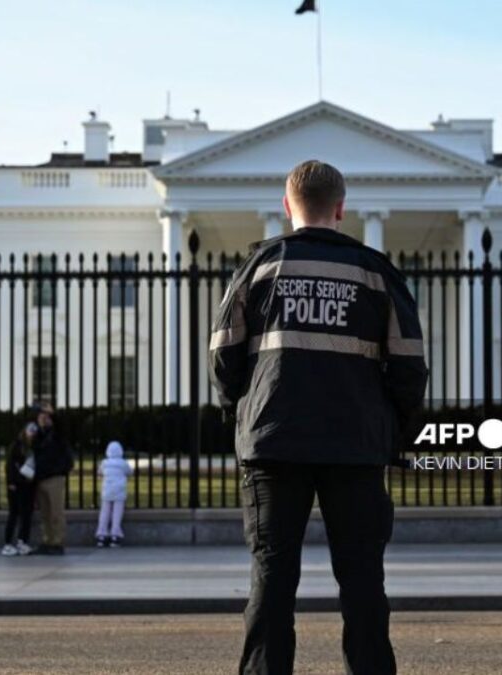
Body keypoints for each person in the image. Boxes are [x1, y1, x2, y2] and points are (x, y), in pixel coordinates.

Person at [209, 159, 427, 675]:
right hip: (354, 445)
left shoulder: (259, 268)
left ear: (287, 208)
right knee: (362, 582)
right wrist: (394, 427)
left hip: (274, 442)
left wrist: (241, 412)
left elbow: (223, 357)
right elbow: (410, 365)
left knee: (272, 578)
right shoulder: (375, 273)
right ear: (342, 209)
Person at [31, 402, 73, 555]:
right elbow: (33, 448)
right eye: (43, 416)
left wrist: (53, 415)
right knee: (45, 514)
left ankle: (58, 542)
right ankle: (47, 540)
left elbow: (61, 427)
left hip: (55, 477)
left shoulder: (57, 434)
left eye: (47, 416)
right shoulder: (39, 434)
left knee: (56, 512)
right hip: (41, 477)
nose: (45, 418)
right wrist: (40, 428)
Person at [2, 422, 38, 556]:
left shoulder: (34, 446)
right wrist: (11, 482)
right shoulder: (16, 445)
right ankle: (8, 544)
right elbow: (10, 465)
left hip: (28, 485)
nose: (32, 434)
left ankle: (22, 542)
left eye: (34, 432)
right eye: (30, 431)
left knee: (27, 515)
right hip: (17, 484)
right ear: (25, 431)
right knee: (14, 513)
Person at [95, 440, 133, 548]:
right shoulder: (123, 463)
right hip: (119, 492)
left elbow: (100, 472)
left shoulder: (105, 463)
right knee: (117, 513)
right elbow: (130, 472)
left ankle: (101, 535)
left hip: (107, 492)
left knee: (104, 512)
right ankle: (115, 536)